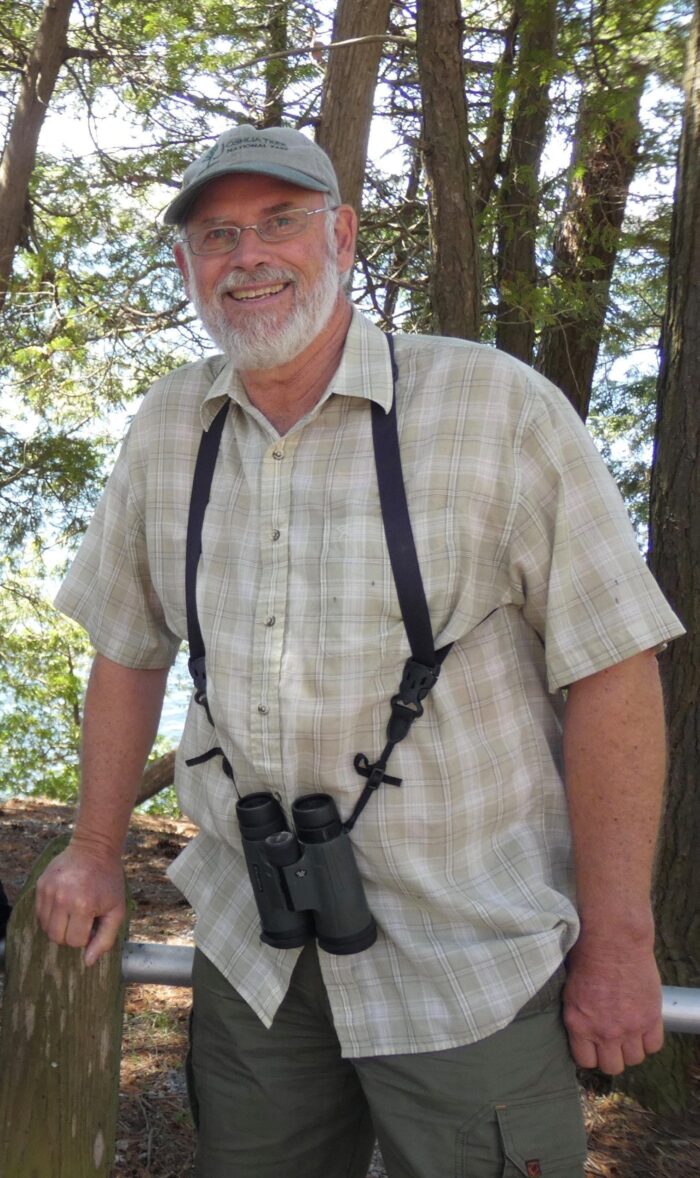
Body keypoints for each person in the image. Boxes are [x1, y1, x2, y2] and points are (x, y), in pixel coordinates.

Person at [36, 124, 684, 1178]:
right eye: (215, 234)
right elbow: (127, 647)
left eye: (279, 222)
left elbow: (614, 665)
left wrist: (618, 938)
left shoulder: (494, 407)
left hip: (469, 957)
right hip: (257, 951)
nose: (247, 256)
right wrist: (96, 847)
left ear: (340, 234)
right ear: (185, 266)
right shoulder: (168, 427)